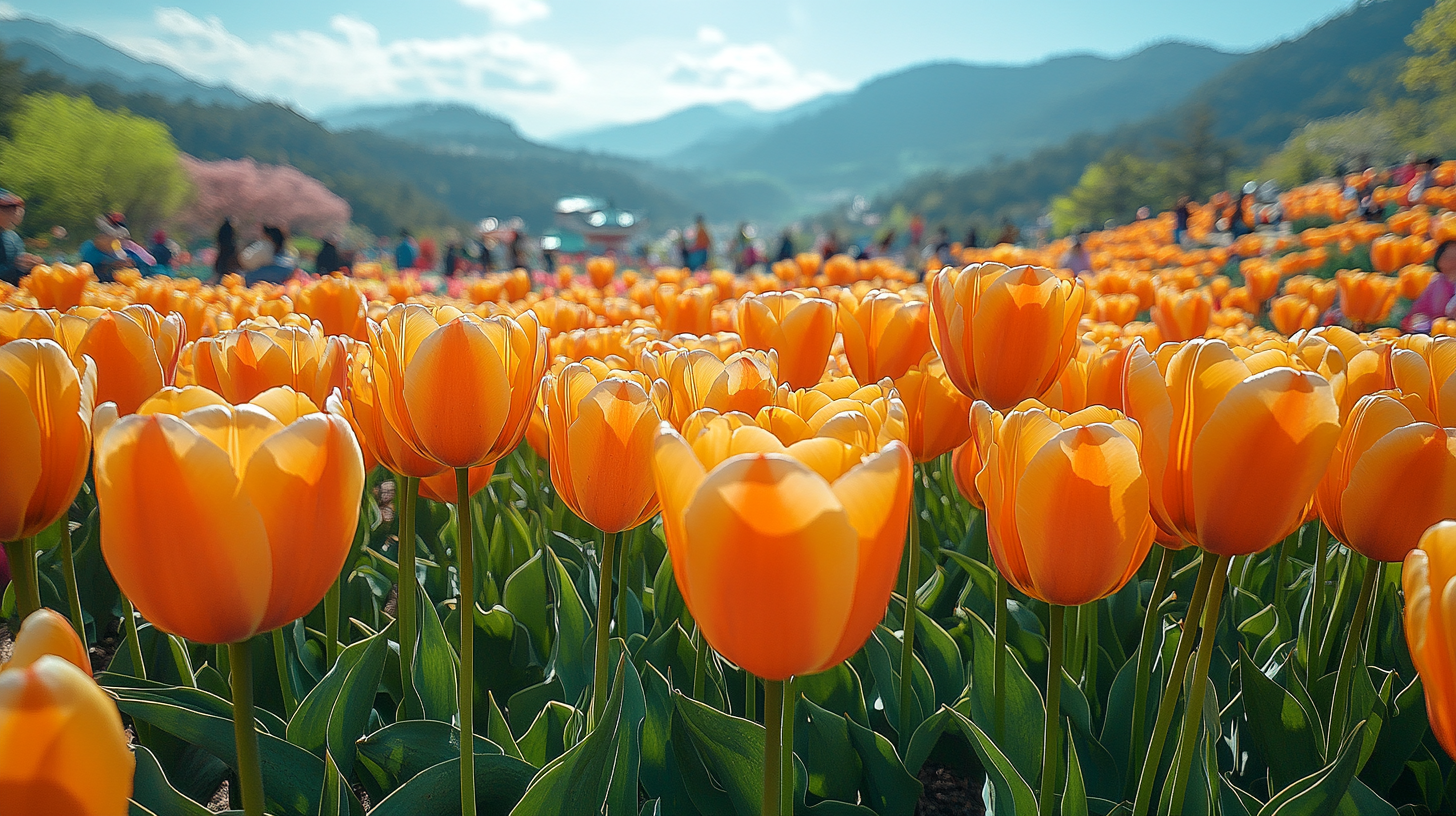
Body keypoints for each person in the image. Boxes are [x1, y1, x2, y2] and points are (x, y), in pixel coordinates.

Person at [1405, 240, 1456, 333]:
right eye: (1448, 258)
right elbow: (1420, 310)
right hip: (1435, 329)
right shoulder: (1436, 282)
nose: (1453, 262)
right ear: (1439, 261)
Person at [0, 189, 41, 285]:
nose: (14, 216)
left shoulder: (13, 238)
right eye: (7, 211)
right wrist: (15, 267)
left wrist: (31, 267)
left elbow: (18, 277)